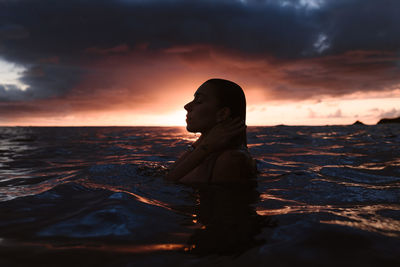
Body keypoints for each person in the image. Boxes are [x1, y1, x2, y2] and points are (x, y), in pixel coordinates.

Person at [166, 78, 257, 183]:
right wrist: (204, 142)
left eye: (199, 101)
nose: (187, 106)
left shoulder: (231, 159)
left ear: (222, 114)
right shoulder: (208, 151)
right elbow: (169, 173)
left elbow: (165, 184)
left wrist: (205, 147)